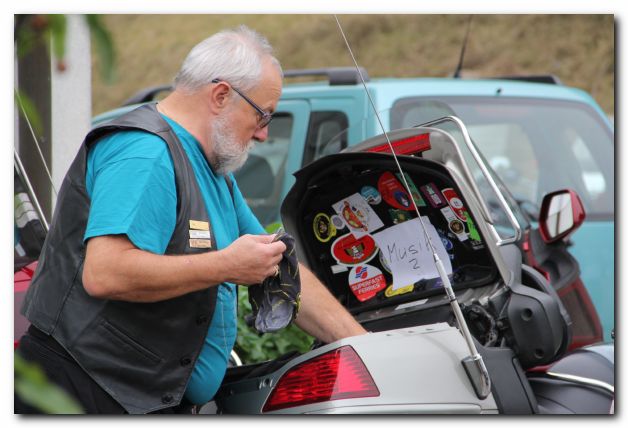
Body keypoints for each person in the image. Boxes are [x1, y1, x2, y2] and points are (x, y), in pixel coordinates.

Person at [16, 25, 367, 415]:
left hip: (141, 398)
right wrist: (226, 265)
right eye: (263, 115)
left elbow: (279, 267)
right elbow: (105, 273)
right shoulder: (145, 153)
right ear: (221, 95)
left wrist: (367, 348)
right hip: (84, 395)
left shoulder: (212, 170)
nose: (264, 134)